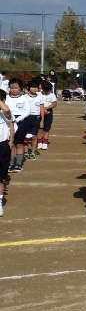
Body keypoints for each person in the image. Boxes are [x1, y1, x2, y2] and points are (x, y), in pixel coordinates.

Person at [7, 78, 31, 173]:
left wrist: (17, 120)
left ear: (21, 88)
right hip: (9, 122)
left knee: (19, 143)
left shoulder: (25, 98)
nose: (14, 90)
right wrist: (10, 120)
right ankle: (11, 163)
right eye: (12, 88)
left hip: (21, 122)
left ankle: (18, 163)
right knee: (11, 143)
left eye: (16, 88)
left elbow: (27, 111)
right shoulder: (6, 98)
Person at [0, 89, 13, 217]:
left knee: (0, 177)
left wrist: (11, 140)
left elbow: (7, 111)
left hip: (2, 145)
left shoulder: (5, 113)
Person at [38, 81, 58, 151]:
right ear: (42, 88)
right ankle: (39, 142)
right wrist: (41, 109)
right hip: (39, 113)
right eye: (45, 89)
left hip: (48, 112)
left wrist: (46, 108)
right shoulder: (39, 94)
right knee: (40, 128)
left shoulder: (52, 95)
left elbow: (54, 104)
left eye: (48, 90)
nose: (47, 91)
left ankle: (45, 143)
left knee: (46, 129)